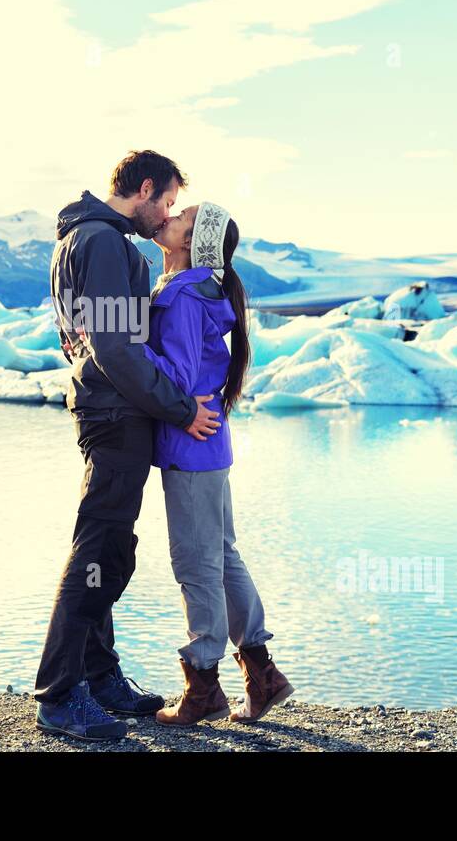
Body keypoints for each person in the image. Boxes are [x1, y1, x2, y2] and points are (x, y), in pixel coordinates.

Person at [33, 150, 221, 742]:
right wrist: (180, 406)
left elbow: (89, 340)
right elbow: (115, 348)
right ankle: (59, 695)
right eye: (167, 202)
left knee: (108, 544)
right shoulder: (105, 243)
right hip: (117, 414)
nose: (166, 213)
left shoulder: (80, 238)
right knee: (101, 547)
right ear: (145, 188)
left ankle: (99, 675)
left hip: (109, 408)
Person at [140, 200, 294, 726]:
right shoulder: (193, 288)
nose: (170, 217)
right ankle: (262, 674)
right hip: (207, 446)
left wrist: (124, 343)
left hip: (190, 445)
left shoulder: (184, 296)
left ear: (193, 241)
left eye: (181, 216)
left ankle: (204, 685)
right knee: (221, 556)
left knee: (195, 563)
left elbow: (178, 379)